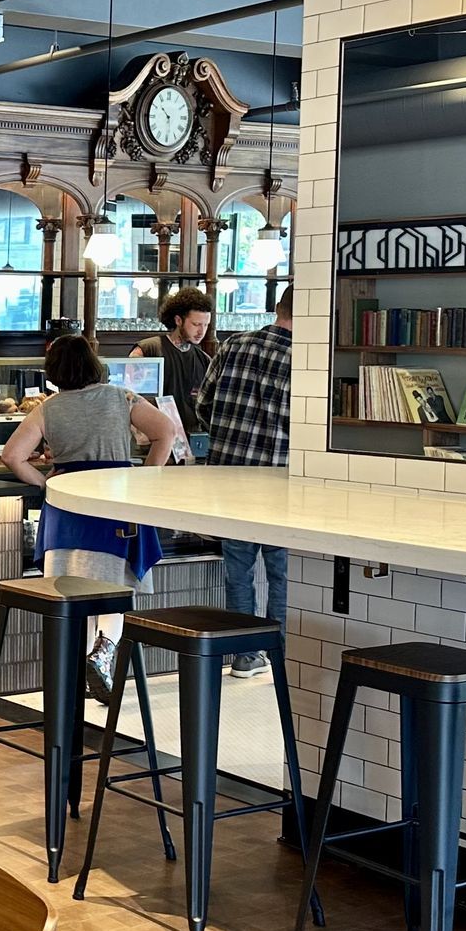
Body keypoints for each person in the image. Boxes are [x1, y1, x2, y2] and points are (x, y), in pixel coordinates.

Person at [3, 334, 176, 694]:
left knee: (73, 593)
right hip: (114, 502)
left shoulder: (48, 408)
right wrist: (146, 476)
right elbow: (166, 431)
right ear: (94, 363)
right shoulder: (120, 397)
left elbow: (12, 455)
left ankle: (82, 676)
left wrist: (45, 484)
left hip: (66, 509)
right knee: (114, 588)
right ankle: (103, 654)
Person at [193, 282, 293, 678]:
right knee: (282, 569)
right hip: (281, 480)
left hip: (228, 477)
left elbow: (204, 404)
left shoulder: (233, 344)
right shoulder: (308, 358)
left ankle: (244, 655)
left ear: (277, 307)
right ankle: (281, 653)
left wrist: (225, 439)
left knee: (238, 567)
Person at [130, 288, 214, 439]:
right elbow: (130, 396)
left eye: (206, 325)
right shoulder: (147, 349)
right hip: (153, 439)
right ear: (178, 320)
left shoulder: (204, 359)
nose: (202, 331)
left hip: (191, 442)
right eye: (196, 324)